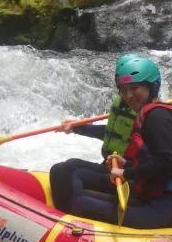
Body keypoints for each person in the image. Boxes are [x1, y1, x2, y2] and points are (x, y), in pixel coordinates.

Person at [50, 57, 172, 229]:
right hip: (150, 195)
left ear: (151, 87)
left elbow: (168, 163)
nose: (129, 96)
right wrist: (127, 164)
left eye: (134, 88)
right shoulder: (154, 115)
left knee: (81, 202)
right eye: (124, 90)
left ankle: (62, 235)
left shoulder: (158, 119)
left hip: (162, 209)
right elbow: (156, 161)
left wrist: (127, 173)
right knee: (65, 170)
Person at [50, 54, 139, 213]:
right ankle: (66, 213)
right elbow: (111, 133)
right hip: (110, 167)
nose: (128, 93)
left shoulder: (145, 112)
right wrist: (77, 127)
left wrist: (127, 168)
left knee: (68, 169)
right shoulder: (123, 104)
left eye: (133, 86)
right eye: (123, 86)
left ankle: (68, 219)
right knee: (59, 169)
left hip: (128, 177)